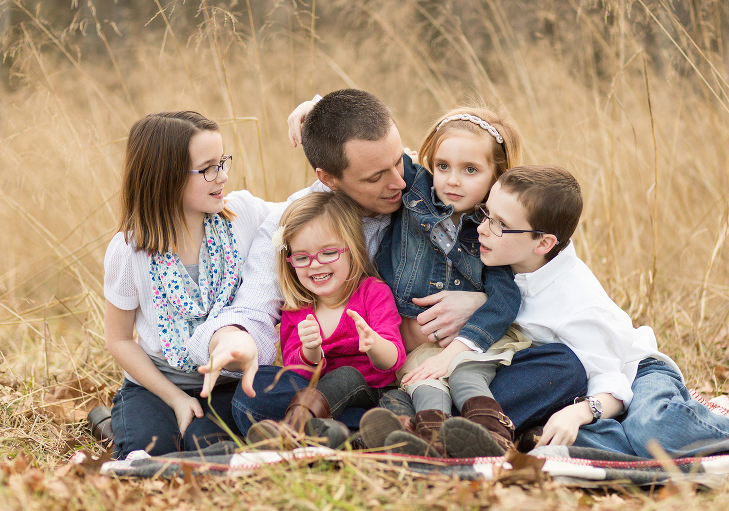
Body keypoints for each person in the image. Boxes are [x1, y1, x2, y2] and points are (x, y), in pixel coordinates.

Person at [190, 90, 587, 439]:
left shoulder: (446, 198)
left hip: (466, 364)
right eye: (377, 176)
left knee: (563, 366)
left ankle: (388, 432)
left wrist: (478, 304)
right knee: (256, 394)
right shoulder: (296, 224)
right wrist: (233, 340)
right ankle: (416, 431)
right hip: (373, 380)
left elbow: (526, 270)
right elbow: (254, 306)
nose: (399, 182)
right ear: (329, 178)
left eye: (401, 161)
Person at [440, 164, 729, 458]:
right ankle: (615, 439)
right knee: (544, 439)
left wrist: (578, 413)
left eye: (499, 224)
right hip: (568, 383)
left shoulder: (578, 303)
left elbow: (613, 385)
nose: (482, 228)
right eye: (486, 214)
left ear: (543, 244)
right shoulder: (505, 257)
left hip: (633, 373)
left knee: (650, 431)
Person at [359, 107, 531, 458]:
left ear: (496, 177)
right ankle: (436, 444)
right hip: (419, 347)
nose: (452, 180)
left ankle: (493, 439)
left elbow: (504, 299)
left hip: (471, 344)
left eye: (470, 170)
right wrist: (311, 109)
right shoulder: (416, 191)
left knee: (466, 377)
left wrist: (455, 352)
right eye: (443, 166)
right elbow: (363, 140)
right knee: (424, 383)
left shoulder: (492, 232)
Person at [102, 111, 274, 459]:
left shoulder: (242, 215)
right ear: (167, 177)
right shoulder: (129, 250)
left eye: (223, 162)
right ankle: (110, 422)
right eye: (208, 168)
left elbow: (307, 207)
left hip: (228, 383)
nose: (222, 176)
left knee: (208, 447)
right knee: (151, 450)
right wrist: (176, 399)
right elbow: (118, 339)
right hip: (158, 387)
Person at [245, 192, 406, 447]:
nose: (315, 265)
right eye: (301, 257)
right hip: (323, 407)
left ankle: (291, 433)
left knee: (359, 384)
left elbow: (393, 360)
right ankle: (332, 439)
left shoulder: (372, 292)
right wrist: (310, 351)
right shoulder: (296, 310)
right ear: (290, 262)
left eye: (328, 252)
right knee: (259, 381)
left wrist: (374, 344)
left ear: (352, 248)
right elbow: (297, 374)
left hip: (374, 395)